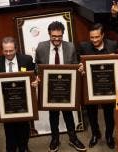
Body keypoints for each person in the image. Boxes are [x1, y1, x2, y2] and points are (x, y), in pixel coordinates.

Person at [35, 21, 86, 152]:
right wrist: (37, 75)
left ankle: (73, 138)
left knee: (68, 114)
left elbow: (75, 65)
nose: (56, 39)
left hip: (66, 88)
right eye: (54, 36)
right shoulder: (41, 47)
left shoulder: (70, 47)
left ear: (63, 34)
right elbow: (37, 66)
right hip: (49, 89)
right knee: (53, 115)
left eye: (59, 36)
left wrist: (79, 68)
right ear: (49, 34)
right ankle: (55, 139)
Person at [77, 23, 117, 149]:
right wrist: (81, 68)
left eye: (97, 37)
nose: (94, 40)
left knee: (109, 113)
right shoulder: (84, 47)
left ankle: (109, 135)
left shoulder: (112, 45)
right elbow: (78, 64)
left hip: (108, 86)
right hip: (90, 87)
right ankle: (95, 133)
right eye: (92, 37)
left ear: (103, 35)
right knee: (91, 113)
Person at [0, 36, 35, 152]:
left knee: (24, 129)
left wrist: (35, 81)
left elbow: (35, 75)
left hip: (23, 102)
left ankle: (23, 147)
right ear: (2, 50)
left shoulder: (26, 60)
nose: (8, 53)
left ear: (16, 49)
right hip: (6, 104)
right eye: (5, 51)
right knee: (9, 131)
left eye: (11, 50)